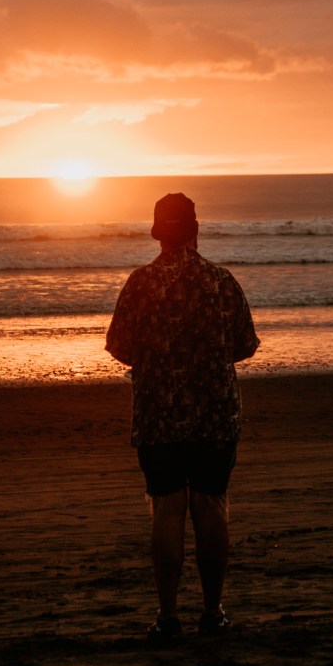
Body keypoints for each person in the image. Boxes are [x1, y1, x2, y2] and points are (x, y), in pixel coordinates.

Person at [105, 192, 259, 642]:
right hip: (215, 414)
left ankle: (168, 616)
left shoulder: (140, 283)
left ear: (158, 234)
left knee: (166, 510)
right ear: (195, 230)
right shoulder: (220, 281)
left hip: (157, 415)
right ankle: (212, 613)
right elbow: (245, 345)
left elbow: (119, 347)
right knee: (211, 506)